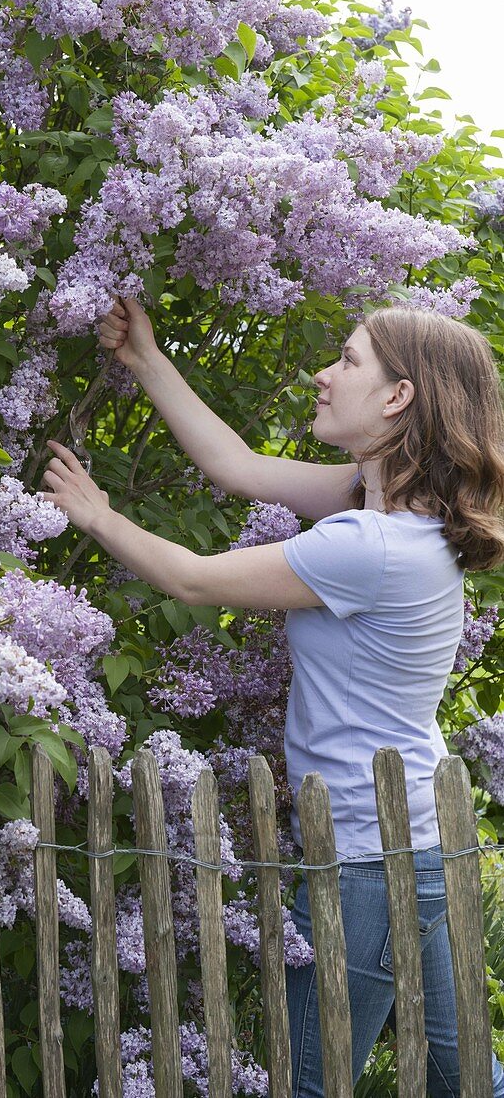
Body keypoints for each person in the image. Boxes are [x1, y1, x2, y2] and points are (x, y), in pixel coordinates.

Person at [41, 297, 504, 1096]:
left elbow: (189, 578)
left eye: (350, 361)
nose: (324, 375)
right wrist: (147, 359)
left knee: (305, 1082)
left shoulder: (370, 546)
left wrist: (97, 515)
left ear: (398, 398)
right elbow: (239, 468)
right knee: (466, 1080)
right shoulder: (394, 516)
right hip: (420, 842)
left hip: (366, 856)